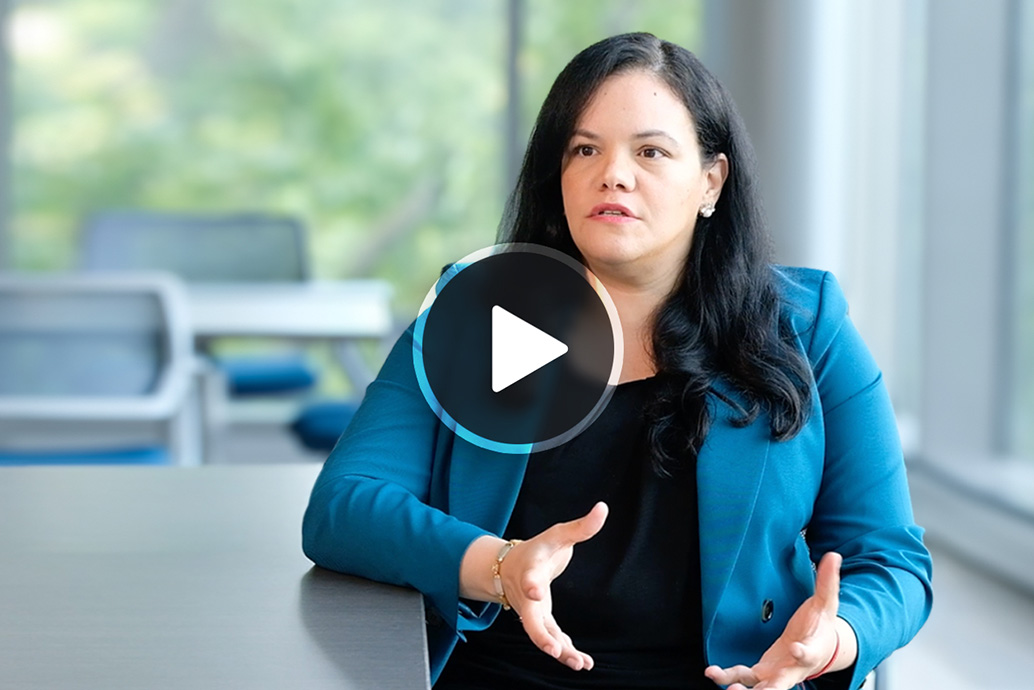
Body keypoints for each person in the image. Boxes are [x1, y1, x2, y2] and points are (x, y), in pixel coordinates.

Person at [302, 32, 932, 690]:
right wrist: (499, 564)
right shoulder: (476, 312)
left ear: (711, 180)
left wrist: (837, 636)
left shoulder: (806, 325)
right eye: (584, 149)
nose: (614, 174)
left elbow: (890, 559)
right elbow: (343, 507)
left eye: (652, 151)